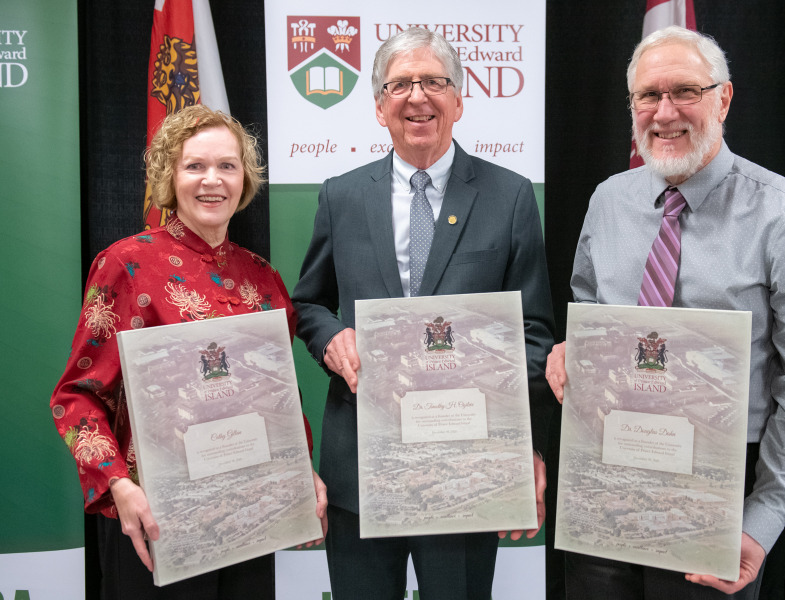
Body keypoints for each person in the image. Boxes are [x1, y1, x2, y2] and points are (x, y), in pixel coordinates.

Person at [545, 26, 785, 600]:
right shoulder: (608, 201)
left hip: (719, 493)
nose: (664, 112)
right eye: (648, 96)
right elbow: (588, 315)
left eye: (685, 91)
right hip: (605, 480)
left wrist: (762, 520)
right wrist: (570, 351)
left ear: (723, 98)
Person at [291, 27, 555, 600]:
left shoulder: (509, 196)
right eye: (401, 84)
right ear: (380, 107)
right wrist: (331, 336)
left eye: (434, 82)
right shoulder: (341, 195)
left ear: (459, 100)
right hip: (359, 466)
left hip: (469, 467)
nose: (418, 97)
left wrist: (520, 443)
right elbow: (307, 302)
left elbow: (534, 332)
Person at [50, 104, 327, 598]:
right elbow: (76, 398)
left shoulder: (263, 278)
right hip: (159, 521)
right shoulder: (126, 265)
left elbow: (278, 396)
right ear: (168, 177)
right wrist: (118, 484)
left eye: (226, 165)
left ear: (245, 178)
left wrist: (300, 466)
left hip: (252, 517)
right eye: (194, 166)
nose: (211, 180)